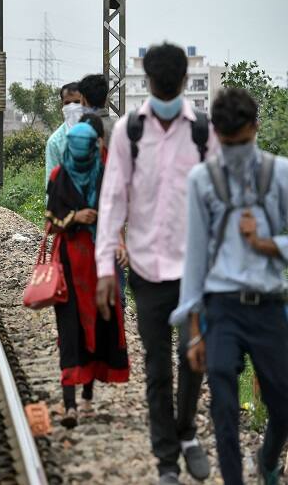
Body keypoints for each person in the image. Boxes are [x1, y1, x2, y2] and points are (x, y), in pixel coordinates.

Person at [95, 42, 219, 485]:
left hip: (194, 273)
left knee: (193, 361)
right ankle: (167, 461)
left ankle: (186, 432)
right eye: (159, 83)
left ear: (183, 83)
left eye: (171, 84)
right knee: (156, 368)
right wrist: (107, 268)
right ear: (148, 82)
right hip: (146, 272)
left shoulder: (204, 133)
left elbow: (218, 203)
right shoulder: (129, 131)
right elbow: (112, 201)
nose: (165, 90)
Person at [170, 88, 288, 485]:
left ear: (255, 129)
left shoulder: (279, 173)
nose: (235, 151)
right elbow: (195, 257)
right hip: (221, 307)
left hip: (270, 304)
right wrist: (193, 330)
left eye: (243, 142)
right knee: (223, 406)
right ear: (216, 135)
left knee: (283, 404)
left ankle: (268, 458)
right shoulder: (202, 180)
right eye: (228, 143)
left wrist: (266, 243)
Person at [45, 121, 129, 429]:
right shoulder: (59, 177)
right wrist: (75, 218)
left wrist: (119, 241)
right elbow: (51, 222)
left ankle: (88, 399)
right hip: (69, 264)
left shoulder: (104, 176)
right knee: (69, 331)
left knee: (95, 325)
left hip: (98, 264)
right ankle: (70, 404)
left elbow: (115, 214)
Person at [45, 82, 82, 191]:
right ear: (62, 105)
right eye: (67, 103)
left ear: (84, 102)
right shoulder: (55, 142)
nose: (72, 107)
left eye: (76, 102)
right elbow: (51, 181)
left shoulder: (97, 133)